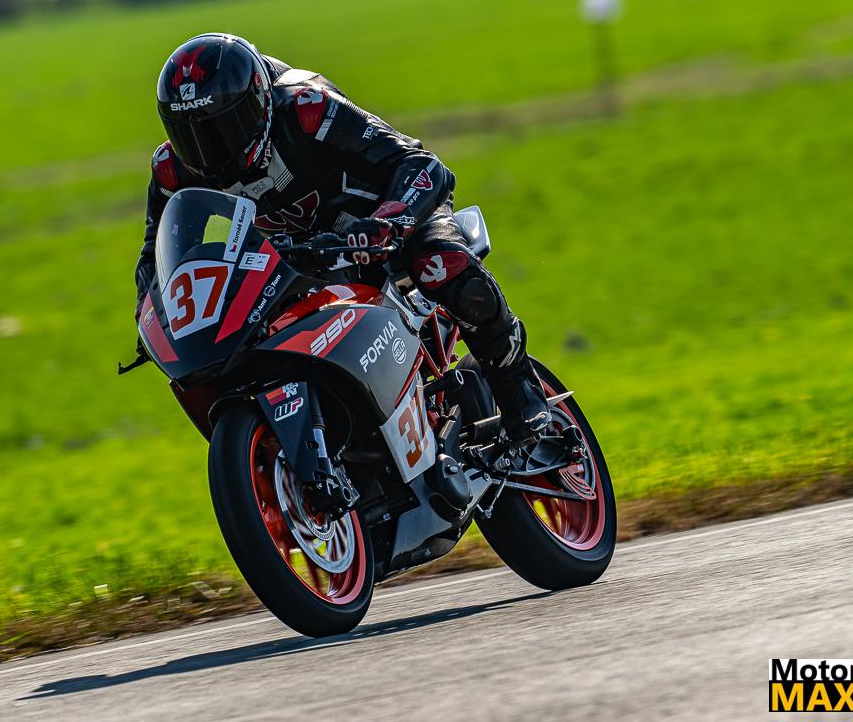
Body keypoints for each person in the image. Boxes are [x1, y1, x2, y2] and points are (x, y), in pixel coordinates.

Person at [133, 33, 549, 446]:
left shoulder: (306, 109)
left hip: (387, 220)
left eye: (225, 128)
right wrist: (157, 315)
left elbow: (420, 164)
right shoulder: (172, 169)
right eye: (192, 136)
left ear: (259, 103)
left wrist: (388, 222)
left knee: (439, 264)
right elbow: (157, 254)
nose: (210, 151)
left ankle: (521, 392)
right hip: (299, 258)